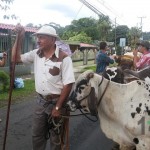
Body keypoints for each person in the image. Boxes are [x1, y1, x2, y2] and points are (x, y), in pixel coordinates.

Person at [12, 24, 75, 150]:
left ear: (53, 40)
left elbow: (68, 84)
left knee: (56, 138)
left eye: (42, 37)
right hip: (40, 102)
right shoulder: (36, 54)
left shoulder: (64, 58)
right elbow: (15, 58)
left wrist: (58, 107)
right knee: (37, 136)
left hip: (57, 102)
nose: (38, 40)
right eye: (38, 37)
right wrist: (19, 37)